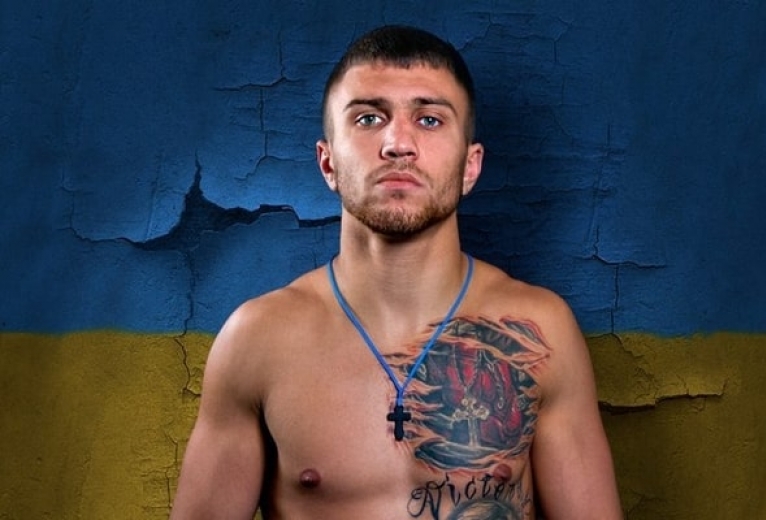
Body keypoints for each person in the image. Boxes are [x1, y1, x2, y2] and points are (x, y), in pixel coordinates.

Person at [170, 25, 623, 520]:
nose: (398, 143)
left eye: (429, 120)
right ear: (328, 163)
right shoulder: (259, 339)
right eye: (368, 118)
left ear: (470, 167)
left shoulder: (540, 332)